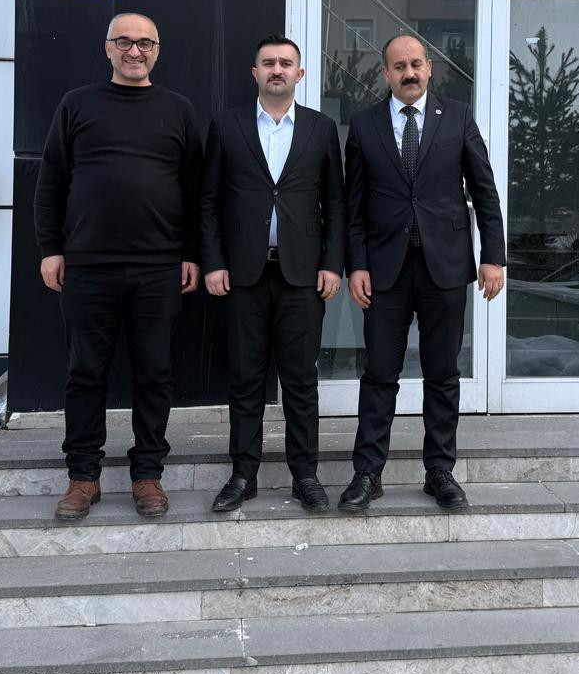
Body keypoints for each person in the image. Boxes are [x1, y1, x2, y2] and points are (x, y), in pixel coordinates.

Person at [33, 12, 201, 521]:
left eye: (145, 43)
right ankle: (83, 477)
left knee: (154, 374)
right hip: (88, 266)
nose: (135, 51)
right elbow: (52, 181)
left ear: (157, 51)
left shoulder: (178, 110)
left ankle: (147, 473)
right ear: (107, 48)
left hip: (159, 267)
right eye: (124, 42)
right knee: (85, 373)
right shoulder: (77, 104)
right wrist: (51, 247)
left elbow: (195, 190)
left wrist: (191, 253)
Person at [339, 34, 506, 513]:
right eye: (399, 66)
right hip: (385, 272)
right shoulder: (365, 125)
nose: (409, 73)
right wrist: (357, 265)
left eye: (416, 64)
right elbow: (353, 206)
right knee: (379, 374)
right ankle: (368, 473)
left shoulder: (457, 117)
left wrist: (492, 256)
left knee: (442, 373)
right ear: (385, 73)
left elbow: (484, 189)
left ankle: (440, 472)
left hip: (445, 268)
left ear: (429, 67)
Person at [200, 35, 345, 512]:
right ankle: (244, 474)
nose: (277, 69)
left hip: (302, 276)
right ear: (255, 72)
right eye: (268, 63)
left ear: (300, 74)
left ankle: (306, 475)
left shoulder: (322, 129)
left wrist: (332, 263)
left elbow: (336, 204)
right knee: (245, 380)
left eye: (286, 63)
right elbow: (208, 200)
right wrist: (214, 261)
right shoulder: (227, 125)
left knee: (301, 381)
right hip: (243, 275)